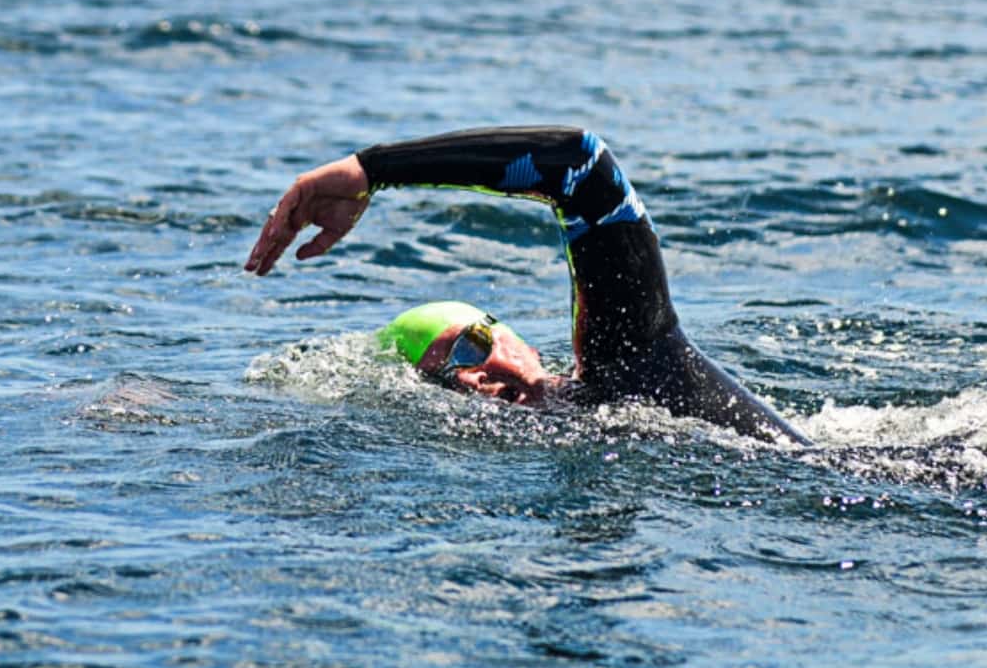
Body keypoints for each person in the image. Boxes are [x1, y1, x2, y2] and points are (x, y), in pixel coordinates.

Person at [245, 126, 808, 444]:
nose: (475, 375)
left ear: (521, 342)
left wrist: (374, 170)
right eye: (447, 378)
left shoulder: (631, 360)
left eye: (471, 345)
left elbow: (580, 166)